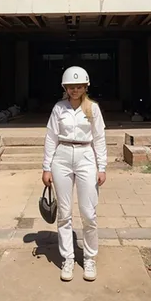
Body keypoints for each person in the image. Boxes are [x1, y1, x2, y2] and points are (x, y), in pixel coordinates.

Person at [42, 66, 107, 282]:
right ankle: (67, 258)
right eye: (71, 86)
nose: (75, 89)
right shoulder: (59, 109)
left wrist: (102, 167)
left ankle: (89, 257)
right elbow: (51, 137)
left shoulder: (92, 109)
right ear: (65, 87)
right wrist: (46, 167)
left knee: (89, 213)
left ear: (86, 86)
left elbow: (99, 139)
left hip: (86, 156)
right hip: (61, 156)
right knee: (64, 213)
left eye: (79, 86)